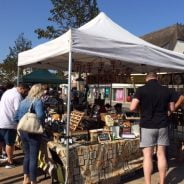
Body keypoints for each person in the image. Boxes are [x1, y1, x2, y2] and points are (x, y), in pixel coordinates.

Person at [130, 72, 175, 184]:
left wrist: (141, 109)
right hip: (162, 125)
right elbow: (172, 108)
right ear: (157, 78)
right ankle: (162, 181)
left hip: (147, 126)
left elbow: (132, 107)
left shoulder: (141, 90)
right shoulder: (167, 90)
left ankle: (148, 183)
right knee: (161, 154)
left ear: (147, 79)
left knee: (148, 156)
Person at [15, 84, 45, 184]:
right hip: (33, 132)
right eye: (43, 91)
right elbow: (40, 116)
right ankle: (33, 181)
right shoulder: (37, 101)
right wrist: (42, 124)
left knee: (27, 155)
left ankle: (25, 178)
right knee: (33, 157)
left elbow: (16, 116)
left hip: (23, 130)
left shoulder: (23, 101)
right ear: (39, 91)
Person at [0, 83, 29, 168]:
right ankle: (10, 162)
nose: (26, 93)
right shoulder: (17, 96)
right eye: (25, 91)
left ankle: (4, 156)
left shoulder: (7, 92)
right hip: (9, 122)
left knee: (1, 141)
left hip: (2, 120)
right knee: (10, 143)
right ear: (21, 88)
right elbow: (18, 110)